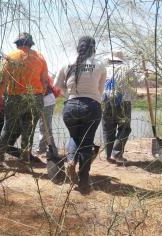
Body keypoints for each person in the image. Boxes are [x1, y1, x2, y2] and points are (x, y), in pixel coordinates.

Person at [54, 36, 106, 192]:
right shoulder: (100, 65)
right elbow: (100, 91)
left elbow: (57, 86)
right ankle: (83, 180)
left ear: (78, 47)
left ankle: (70, 160)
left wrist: (69, 94)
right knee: (86, 142)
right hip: (91, 106)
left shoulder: (67, 62)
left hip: (70, 107)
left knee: (74, 137)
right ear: (93, 48)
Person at [0, 32, 48, 167]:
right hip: (34, 98)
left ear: (17, 44)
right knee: (28, 130)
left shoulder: (10, 57)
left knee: (7, 127)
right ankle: (25, 158)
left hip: (14, 98)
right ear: (30, 44)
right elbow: (45, 82)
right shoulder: (40, 57)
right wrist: (40, 95)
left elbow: (2, 81)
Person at [0, 85, 41, 162]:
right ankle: (26, 156)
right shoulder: (0, 96)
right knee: (6, 146)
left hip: (8, 126)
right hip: (18, 125)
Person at [102, 51, 137, 164]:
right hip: (123, 102)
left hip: (105, 101)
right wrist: (143, 75)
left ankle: (108, 155)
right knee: (124, 128)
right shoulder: (126, 69)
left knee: (108, 129)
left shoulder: (103, 68)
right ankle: (116, 153)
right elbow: (135, 83)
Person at [37, 75, 60, 159]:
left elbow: (45, 84)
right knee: (43, 127)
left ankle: (52, 151)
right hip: (44, 100)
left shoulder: (39, 69)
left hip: (47, 100)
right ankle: (43, 149)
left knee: (46, 127)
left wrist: (40, 96)